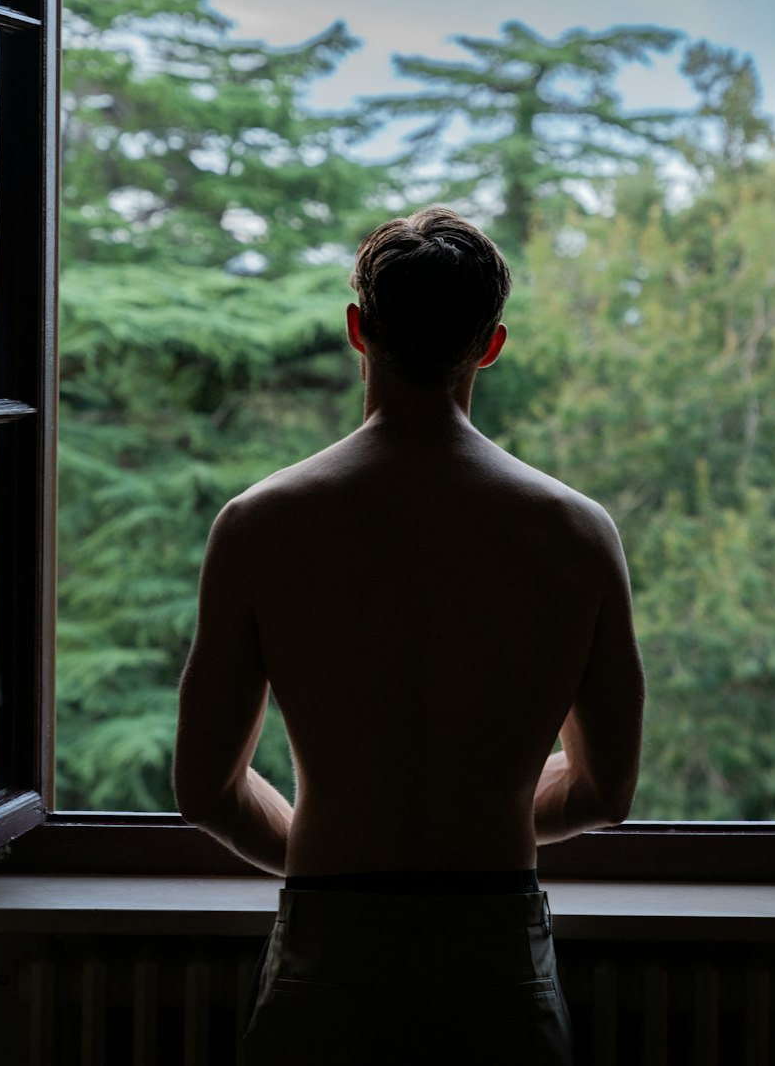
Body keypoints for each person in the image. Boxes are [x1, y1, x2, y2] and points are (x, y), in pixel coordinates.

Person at [174, 206, 644, 1065]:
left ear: (359, 330)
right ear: (490, 345)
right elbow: (604, 790)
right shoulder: (576, 533)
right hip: (495, 953)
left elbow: (206, 789)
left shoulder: (260, 525)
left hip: (329, 947)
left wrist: (337, 840)